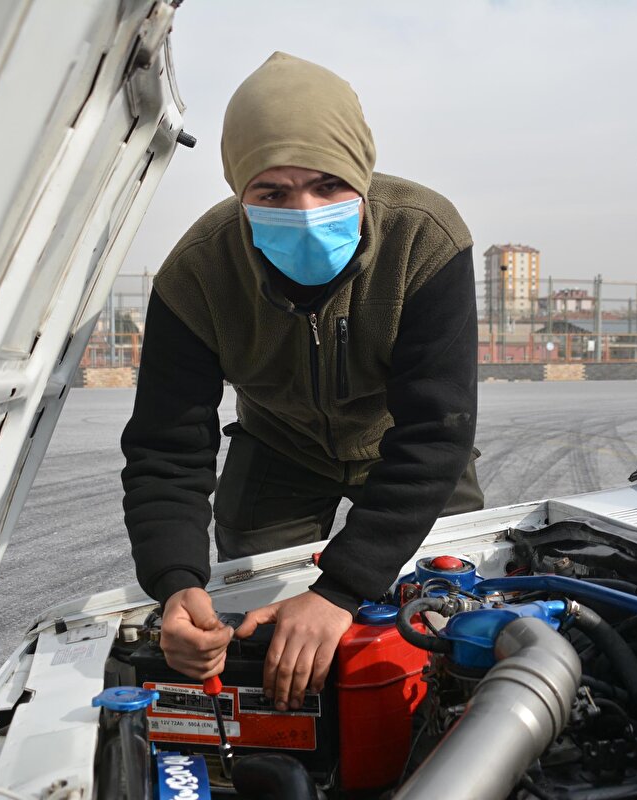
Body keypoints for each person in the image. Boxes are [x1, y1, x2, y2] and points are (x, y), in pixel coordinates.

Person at [121, 52, 481, 712]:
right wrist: (175, 587)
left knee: (451, 614)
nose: (306, 210)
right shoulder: (195, 276)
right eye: (273, 194)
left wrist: (341, 591)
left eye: (327, 185)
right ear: (238, 191)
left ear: (362, 174)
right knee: (255, 628)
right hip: (278, 451)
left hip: (404, 453)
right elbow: (167, 451)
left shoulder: (425, 240)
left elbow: (437, 430)